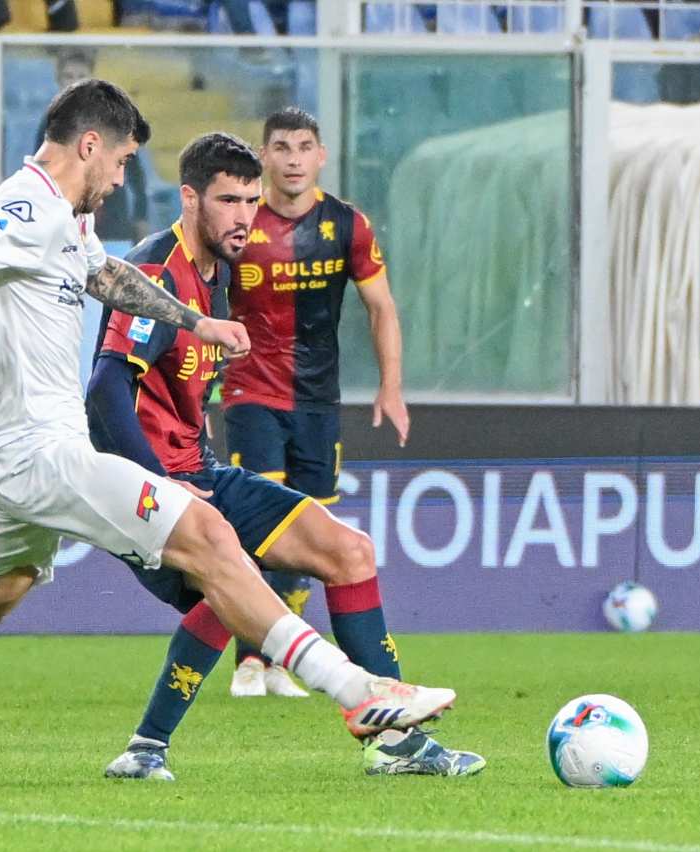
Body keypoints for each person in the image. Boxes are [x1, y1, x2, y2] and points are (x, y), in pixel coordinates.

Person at [0, 80, 457, 783]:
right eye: (123, 160)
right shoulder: (31, 205)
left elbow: (106, 275)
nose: (121, 178)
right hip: (36, 450)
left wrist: (195, 322)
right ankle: (358, 693)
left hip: (21, 455)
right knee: (210, 536)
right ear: (90, 145)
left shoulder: (67, 221)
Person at [88, 132, 484, 780]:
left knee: (347, 551)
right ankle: (148, 746)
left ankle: (393, 742)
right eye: (228, 200)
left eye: (251, 200)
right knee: (230, 583)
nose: (244, 216)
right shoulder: (158, 272)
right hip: (145, 485)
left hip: (200, 470)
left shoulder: (219, 272)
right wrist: (158, 484)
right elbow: (105, 388)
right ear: (189, 198)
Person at [220, 107, 410, 698]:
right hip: (251, 391)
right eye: (281, 147)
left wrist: (391, 386)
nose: (294, 159)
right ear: (264, 156)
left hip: (319, 402)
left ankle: (280, 662)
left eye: (304, 147)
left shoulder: (347, 225)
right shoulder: (240, 224)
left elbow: (381, 306)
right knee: (260, 523)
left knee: (310, 531)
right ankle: (249, 660)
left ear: (321, 156)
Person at [33, 49, 150, 244]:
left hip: (113, 220)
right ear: (59, 80)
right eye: (69, 76)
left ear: (91, 79)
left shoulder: (113, 118)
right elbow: (42, 171)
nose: (74, 83)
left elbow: (135, 175)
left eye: (81, 76)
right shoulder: (50, 124)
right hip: (66, 220)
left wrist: (141, 216)